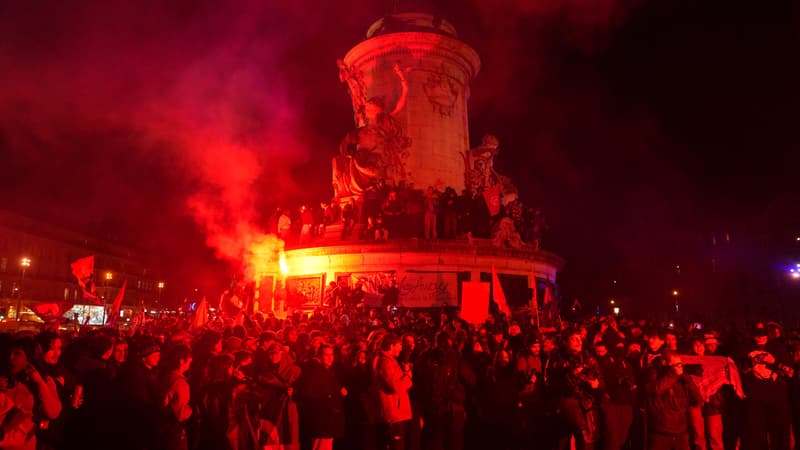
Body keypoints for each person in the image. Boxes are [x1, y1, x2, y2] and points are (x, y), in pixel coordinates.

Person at [415, 331, 475, 450]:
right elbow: (471, 379)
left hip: (433, 407)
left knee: (435, 441)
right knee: (453, 441)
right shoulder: (455, 356)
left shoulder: (424, 356)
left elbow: (417, 379)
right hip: (452, 407)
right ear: (450, 341)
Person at [644, 350, 702, 450]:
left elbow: (697, 398)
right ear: (664, 363)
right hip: (661, 433)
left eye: (680, 364)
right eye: (676, 365)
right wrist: (673, 374)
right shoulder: (654, 373)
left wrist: (687, 379)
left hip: (681, 433)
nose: (679, 368)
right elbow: (657, 389)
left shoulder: (681, 378)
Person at [297, 344, 346, 450]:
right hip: (321, 421)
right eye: (326, 355)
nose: (330, 358)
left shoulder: (327, 371)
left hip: (327, 421)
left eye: (331, 355)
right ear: (319, 356)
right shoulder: (315, 372)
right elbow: (310, 393)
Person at [373, 334, 413, 450]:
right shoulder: (386, 363)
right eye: (399, 345)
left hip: (395, 413)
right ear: (391, 346)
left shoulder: (389, 361)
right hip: (394, 414)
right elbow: (395, 387)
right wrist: (408, 376)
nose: (401, 348)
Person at [157, 344, 192, 450]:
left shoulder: (166, 375)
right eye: (189, 361)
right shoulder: (180, 382)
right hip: (174, 430)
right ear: (182, 361)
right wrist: (191, 410)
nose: (190, 365)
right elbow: (180, 414)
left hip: (162, 426)